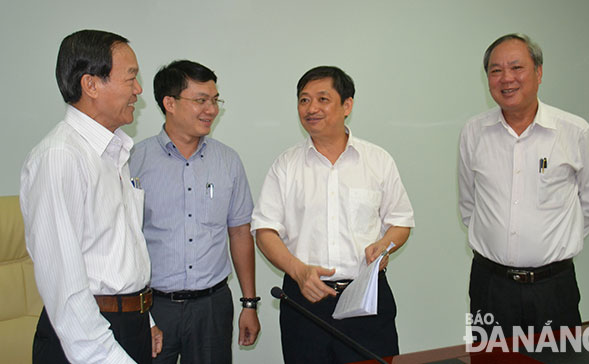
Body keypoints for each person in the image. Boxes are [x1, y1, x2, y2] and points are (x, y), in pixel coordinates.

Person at [251, 66, 414, 363]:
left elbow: (401, 222)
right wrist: (298, 271)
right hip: (305, 300)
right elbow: (264, 231)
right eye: (304, 100)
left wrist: (385, 245)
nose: (311, 108)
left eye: (322, 99)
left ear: (347, 105)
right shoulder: (286, 165)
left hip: (366, 300)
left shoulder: (377, 160)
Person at [20, 29, 162, 363]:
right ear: (91, 85)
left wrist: (146, 318)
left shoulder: (114, 152)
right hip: (86, 340)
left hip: (128, 325)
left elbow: (113, 251)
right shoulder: (60, 157)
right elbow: (64, 287)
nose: (139, 90)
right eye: (131, 79)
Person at [458, 33, 589, 337]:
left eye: (517, 68)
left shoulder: (575, 132)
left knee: (560, 360)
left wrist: (554, 243)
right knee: (491, 362)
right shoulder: (474, 132)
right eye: (495, 70)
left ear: (538, 72)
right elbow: (468, 203)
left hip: (554, 288)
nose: (506, 78)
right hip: (490, 286)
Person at [129, 60, 260, 364]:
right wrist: (142, 316)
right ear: (169, 103)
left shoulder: (228, 161)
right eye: (201, 100)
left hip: (212, 306)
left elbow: (240, 231)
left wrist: (249, 304)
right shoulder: (135, 160)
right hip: (153, 307)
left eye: (215, 100)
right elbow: (125, 238)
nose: (212, 109)